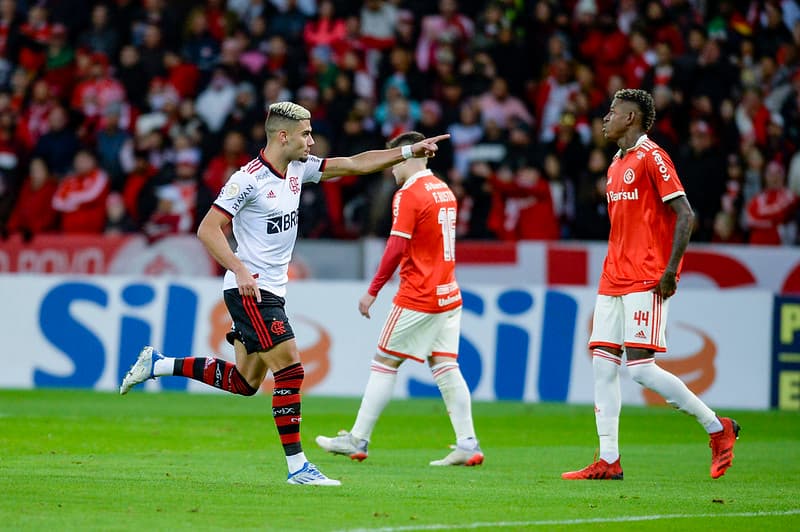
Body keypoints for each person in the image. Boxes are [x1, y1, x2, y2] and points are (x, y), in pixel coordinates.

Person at [119, 102, 450, 486]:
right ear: (283, 136)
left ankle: (158, 364)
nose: (311, 140)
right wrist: (239, 269)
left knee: (245, 383)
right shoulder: (247, 180)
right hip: (251, 290)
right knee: (291, 368)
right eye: (306, 134)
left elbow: (356, 163)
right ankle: (298, 468)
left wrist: (410, 151)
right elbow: (208, 229)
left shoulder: (298, 168)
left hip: (271, 290)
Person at [561, 89, 740, 481]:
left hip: (647, 276)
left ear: (631, 118)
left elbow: (685, 214)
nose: (605, 118)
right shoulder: (615, 164)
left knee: (640, 368)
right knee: (603, 366)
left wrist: (671, 269)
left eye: (612, 112)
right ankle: (608, 459)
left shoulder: (653, 157)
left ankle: (717, 427)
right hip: (613, 277)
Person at [315, 131, 483, 467]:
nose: (391, 169)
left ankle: (357, 439)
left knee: (384, 362)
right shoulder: (443, 189)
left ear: (407, 158)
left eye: (394, 161)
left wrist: (372, 290)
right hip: (449, 292)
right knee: (446, 365)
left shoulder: (410, 194)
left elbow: (395, 248)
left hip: (419, 294)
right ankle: (467, 442)